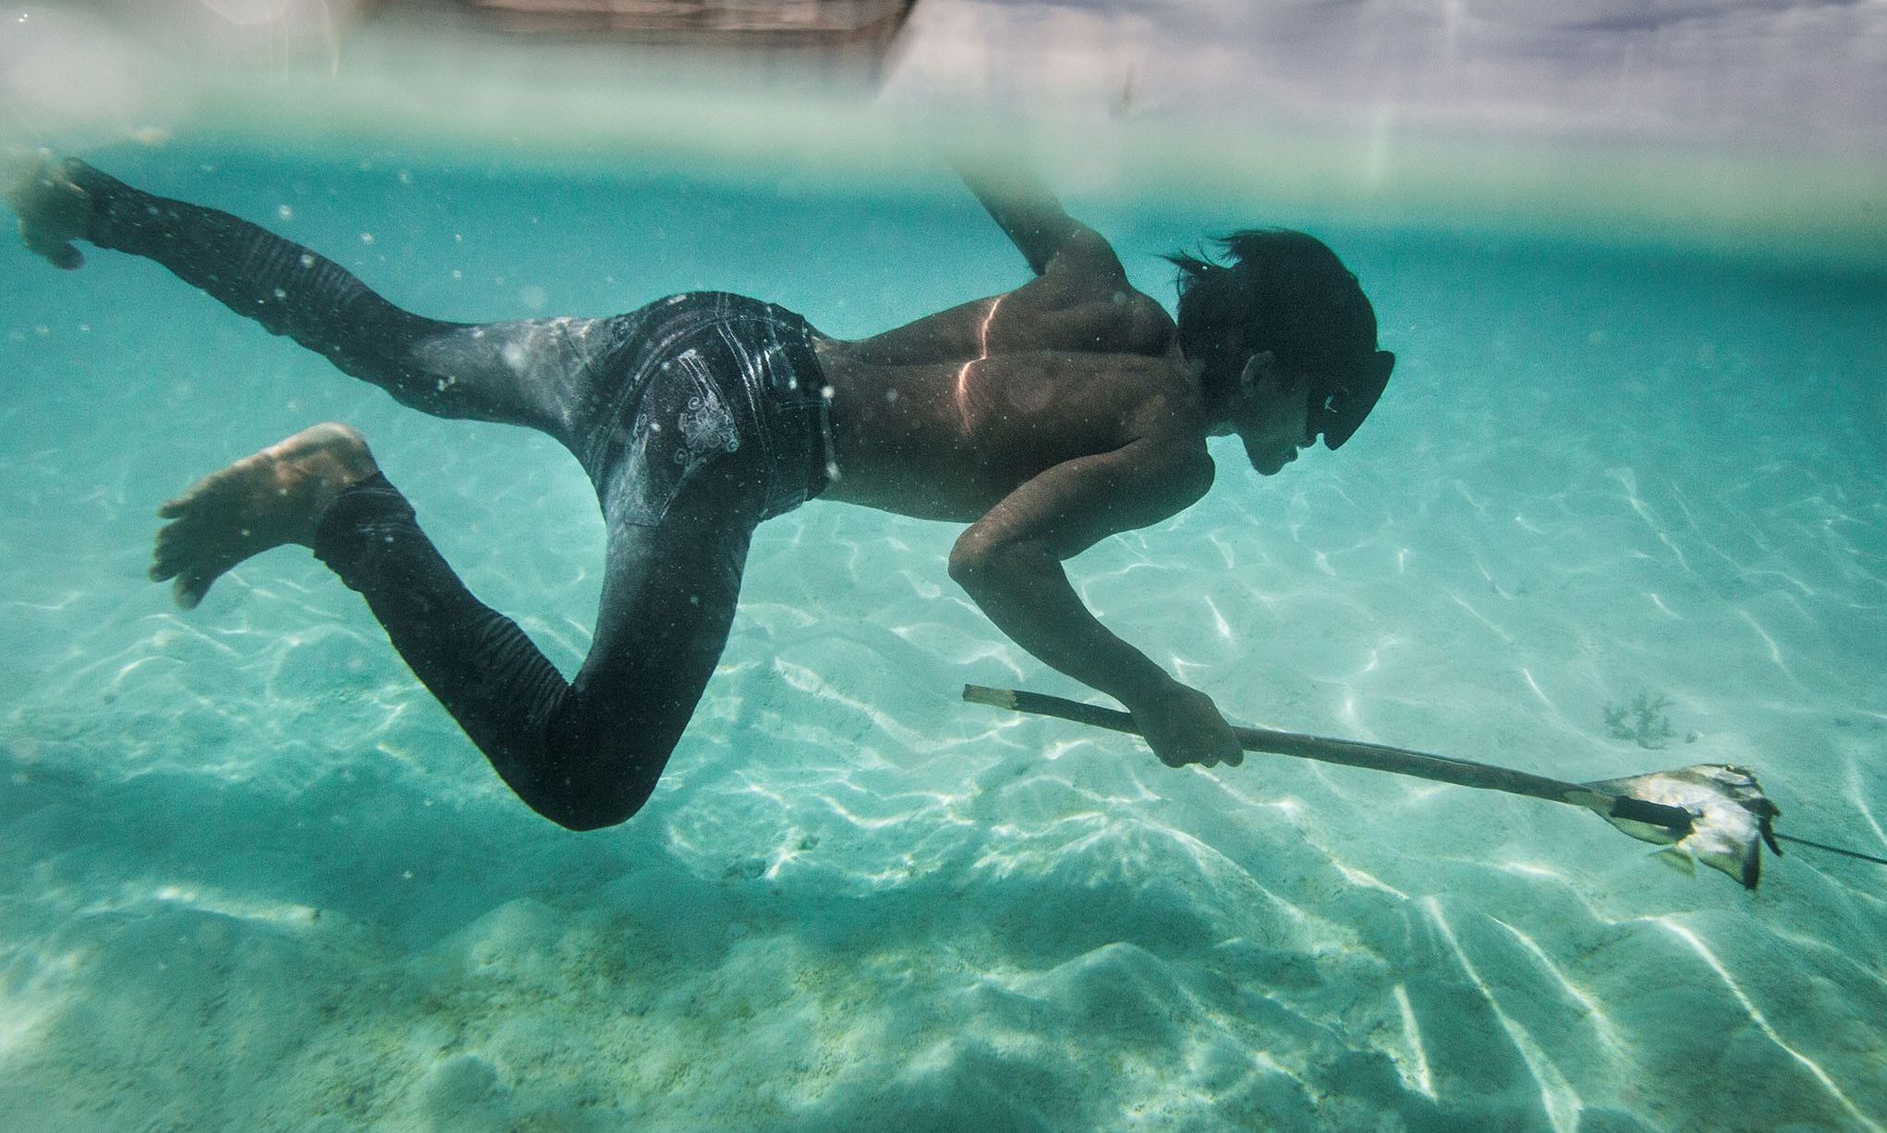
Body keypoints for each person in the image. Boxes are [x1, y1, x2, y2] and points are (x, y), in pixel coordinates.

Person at [6, 153, 1394, 829]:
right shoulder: (1173, 447)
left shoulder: (1091, 274)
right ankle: (339, 503)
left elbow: (976, 135)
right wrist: (1154, 695)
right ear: (1267, 365)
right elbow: (995, 562)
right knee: (587, 778)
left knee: (403, 350)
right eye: (1318, 413)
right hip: (728, 440)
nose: (1307, 445)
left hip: (711, 333)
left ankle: (96, 201)